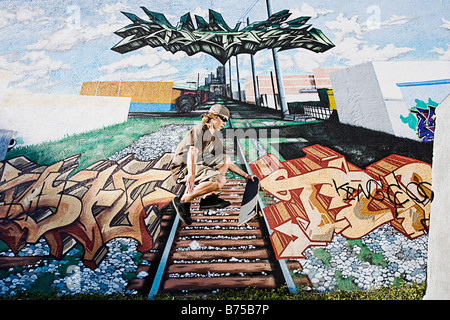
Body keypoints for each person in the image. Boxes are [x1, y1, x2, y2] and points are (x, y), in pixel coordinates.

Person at [170, 104, 254, 225]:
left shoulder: (214, 137)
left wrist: (246, 176)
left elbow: (227, 162)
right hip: (183, 168)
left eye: (227, 120)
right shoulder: (200, 130)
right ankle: (183, 200)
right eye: (223, 119)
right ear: (213, 117)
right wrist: (191, 175)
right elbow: (192, 151)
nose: (225, 123)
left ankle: (208, 198)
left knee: (225, 159)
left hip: (197, 164)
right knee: (220, 180)